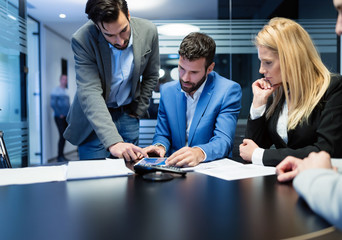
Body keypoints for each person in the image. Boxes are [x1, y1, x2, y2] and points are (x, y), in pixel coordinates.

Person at [275, 0, 342, 237]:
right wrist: (311, 164)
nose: (339, 28)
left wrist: (313, 174)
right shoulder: (277, 94)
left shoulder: (336, 87)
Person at [239, 17, 342, 167]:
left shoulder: (335, 87)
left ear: (291, 59)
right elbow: (251, 148)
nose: (261, 70)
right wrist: (258, 104)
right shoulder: (279, 92)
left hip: (321, 183)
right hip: (282, 181)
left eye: (268, 62)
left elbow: (326, 150)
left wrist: (260, 154)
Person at [63, 0, 159, 160]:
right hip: (94, 121)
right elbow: (89, 91)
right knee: (95, 179)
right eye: (110, 35)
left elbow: (151, 75)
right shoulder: (82, 39)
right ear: (97, 26)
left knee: (130, 177)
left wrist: (138, 110)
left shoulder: (149, 31)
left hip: (128, 114)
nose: (120, 41)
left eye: (123, 30)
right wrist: (113, 142)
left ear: (128, 15)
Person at [142, 32, 242, 167]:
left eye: (194, 72)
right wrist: (160, 147)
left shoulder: (228, 91)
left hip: (211, 169)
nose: (185, 78)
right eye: (181, 68)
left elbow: (223, 140)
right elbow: (163, 134)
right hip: (174, 168)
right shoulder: (168, 91)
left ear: (210, 69)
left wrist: (199, 153)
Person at [50, 74, 70, 162]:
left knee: (64, 136)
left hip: (66, 117)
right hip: (59, 117)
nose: (65, 81)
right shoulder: (56, 91)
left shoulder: (66, 91)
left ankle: (62, 155)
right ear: (60, 80)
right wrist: (60, 114)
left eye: (66, 79)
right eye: (63, 79)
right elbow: (53, 104)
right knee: (62, 135)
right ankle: (59, 156)